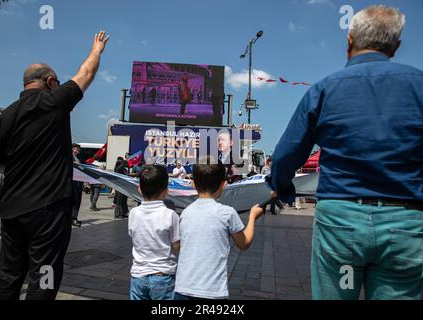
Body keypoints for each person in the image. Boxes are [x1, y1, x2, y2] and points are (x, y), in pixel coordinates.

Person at [269, 5, 423, 300]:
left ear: (349, 40)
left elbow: (287, 153)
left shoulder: (325, 89)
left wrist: (282, 187)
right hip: (405, 224)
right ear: (396, 45)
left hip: (341, 224)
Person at [0, 30, 110, 300]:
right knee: (43, 276)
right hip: (47, 210)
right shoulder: (55, 102)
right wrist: (97, 49)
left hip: (11, 210)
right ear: (52, 81)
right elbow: (85, 74)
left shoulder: (5, 116)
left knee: (8, 275)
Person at [174, 158, 264, 300]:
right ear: (223, 184)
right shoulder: (227, 213)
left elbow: (180, 245)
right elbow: (244, 243)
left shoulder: (186, 212)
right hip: (212, 292)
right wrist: (252, 216)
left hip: (182, 289)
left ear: (193, 183)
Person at [128, 165, 180, 300]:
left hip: (138, 275)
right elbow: (176, 246)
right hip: (163, 275)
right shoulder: (171, 215)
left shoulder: (133, 213)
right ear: (166, 190)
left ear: (139, 189)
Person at [71, 143, 84, 227]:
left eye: (78, 150)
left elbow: (85, 165)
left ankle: (74, 217)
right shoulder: (69, 157)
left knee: (78, 200)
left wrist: (96, 167)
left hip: (79, 183)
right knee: (73, 201)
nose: (78, 151)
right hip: (72, 183)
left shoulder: (79, 158)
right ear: (72, 149)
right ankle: (73, 218)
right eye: (76, 149)